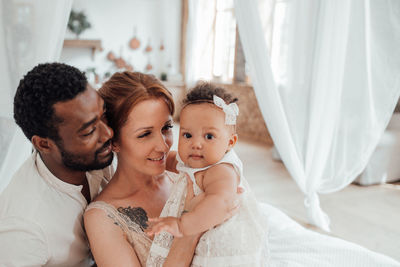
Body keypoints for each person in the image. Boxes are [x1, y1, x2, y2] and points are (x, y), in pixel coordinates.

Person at [84, 72, 241, 266]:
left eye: (166, 128)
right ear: (113, 141)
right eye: (145, 134)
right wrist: (190, 232)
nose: (163, 146)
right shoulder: (102, 218)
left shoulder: (185, 170)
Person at [0, 62, 114, 266]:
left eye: (103, 115)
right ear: (43, 144)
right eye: (89, 131)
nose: (108, 133)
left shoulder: (98, 155)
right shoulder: (23, 229)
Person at [147, 83, 269, 266]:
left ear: (230, 142)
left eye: (209, 136)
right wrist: (148, 157)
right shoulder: (193, 160)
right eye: (187, 135)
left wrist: (183, 225)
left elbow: (222, 203)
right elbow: (169, 160)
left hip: (222, 243)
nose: (196, 144)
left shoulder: (221, 170)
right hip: (198, 226)